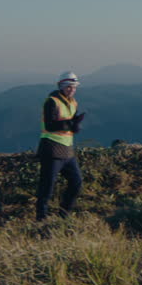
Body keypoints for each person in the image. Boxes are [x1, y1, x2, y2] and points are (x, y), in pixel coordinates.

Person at [35, 71, 87, 220]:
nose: (72, 89)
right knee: (47, 187)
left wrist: (75, 126)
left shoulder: (73, 102)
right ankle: (41, 219)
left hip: (67, 151)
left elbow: (68, 124)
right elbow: (50, 125)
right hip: (51, 149)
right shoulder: (51, 101)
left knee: (76, 183)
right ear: (61, 86)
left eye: (74, 87)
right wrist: (71, 123)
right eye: (68, 86)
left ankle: (64, 215)